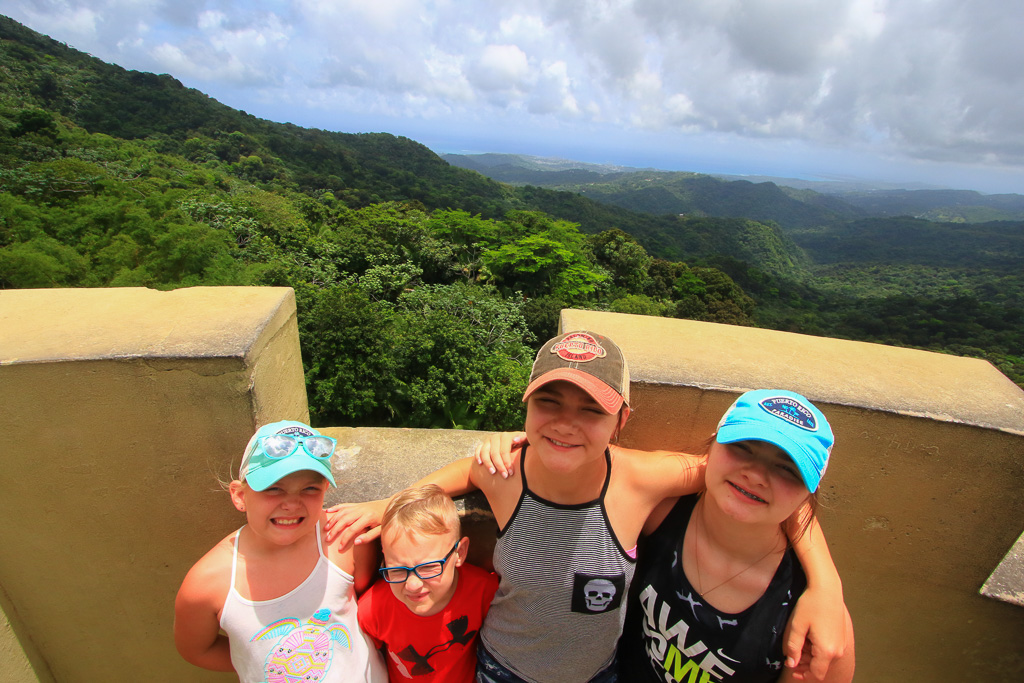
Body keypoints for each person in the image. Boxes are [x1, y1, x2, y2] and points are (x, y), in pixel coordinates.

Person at [327, 331, 846, 683]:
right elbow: (464, 473)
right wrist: (391, 503)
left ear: (622, 420)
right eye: (548, 403)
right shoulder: (505, 471)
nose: (566, 423)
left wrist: (825, 585)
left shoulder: (642, 480)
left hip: (598, 674)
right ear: (526, 406)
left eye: (591, 409)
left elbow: (753, 487)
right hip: (503, 667)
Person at [619, 390, 855, 682]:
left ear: (807, 495)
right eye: (743, 447)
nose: (756, 476)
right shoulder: (662, 510)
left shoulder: (813, 621)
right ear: (712, 447)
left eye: (787, 469)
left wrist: (826, 585)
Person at [174, 420, 386, 682]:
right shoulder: (207, 584)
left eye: (310, 488)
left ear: (325, 491)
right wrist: (257, 657)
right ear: (240, 496)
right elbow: (197, 650)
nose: (292, 504)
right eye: (273, 489)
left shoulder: (344, 540)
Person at [358, 484, 499, 682]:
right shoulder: (372, 609)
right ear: (384, 557)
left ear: (460, 553)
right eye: (397, 570)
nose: (413, 585)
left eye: (428, 567)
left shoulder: (484, 591)